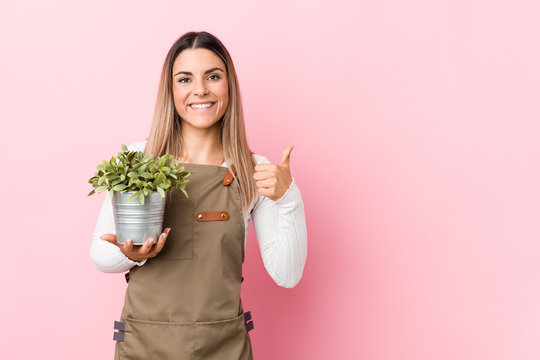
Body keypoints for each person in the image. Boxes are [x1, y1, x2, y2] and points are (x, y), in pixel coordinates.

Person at [89, 31, 308, 359]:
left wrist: (288, 197)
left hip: (223, 349)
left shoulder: (253, 170)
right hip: (143, 348)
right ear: (171, 90)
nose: (200, 89)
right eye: (185, 79)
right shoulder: (138, 162)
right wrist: (133, 254)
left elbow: (287, 275)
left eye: (213, 76)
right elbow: (101, 257)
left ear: (229, 85)